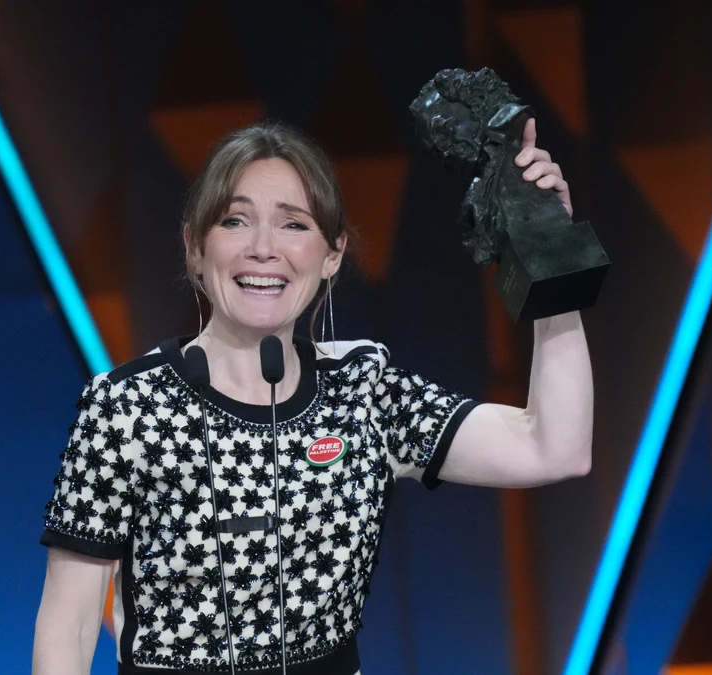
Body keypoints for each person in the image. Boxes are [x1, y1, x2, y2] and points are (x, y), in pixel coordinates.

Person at [33, 119, 592, 675]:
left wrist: (550, 252)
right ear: (195, 247)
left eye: (293, 225)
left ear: (333, 254)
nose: (263, 249)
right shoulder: (127, 409)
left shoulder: (362, 392)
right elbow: (69, 629)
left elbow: (554, 448)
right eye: (234, 220)